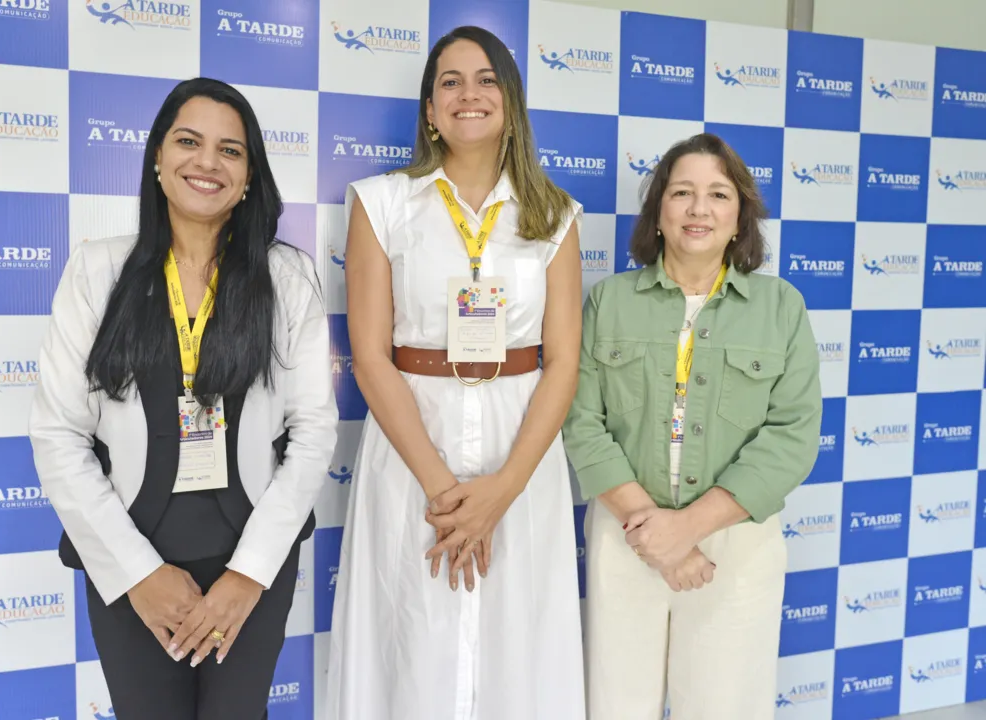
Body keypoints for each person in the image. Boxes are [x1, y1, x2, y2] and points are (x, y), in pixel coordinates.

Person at [28, 77, 337, 720]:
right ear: (157, 160)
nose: (207, 162)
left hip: (251, 560)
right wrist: (139, 574)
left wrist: (249, 575)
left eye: (231, 150)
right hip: (129, 559)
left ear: (250, 175)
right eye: (189, 141)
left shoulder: (288, 277)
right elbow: (59, 434)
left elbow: (313, 435)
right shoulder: (96, 271)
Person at [324, 25, 586, 719]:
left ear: (511, 103)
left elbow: (563, 362)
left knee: (517, 642)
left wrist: (502, 490)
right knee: (414, 638)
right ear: (430, 112)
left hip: (520, 454)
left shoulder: (555, 215)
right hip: (414, 452)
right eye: (450, 82)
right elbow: (371, 355)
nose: (469, 94)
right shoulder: (381, 204)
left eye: (486, 79)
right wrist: (445, 490)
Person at [562, 133, 822, 720]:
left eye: (718, 194)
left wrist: (688, 530)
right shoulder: (608, 302)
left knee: (726, 707)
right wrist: (656, 532)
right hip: (626, 531)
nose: (698, 208)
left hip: (734, 546)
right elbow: (580, 421)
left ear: (740, 219)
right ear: (658, 212)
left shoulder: (782, 308)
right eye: (681, 192)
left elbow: (793, 435)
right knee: (616, 706)